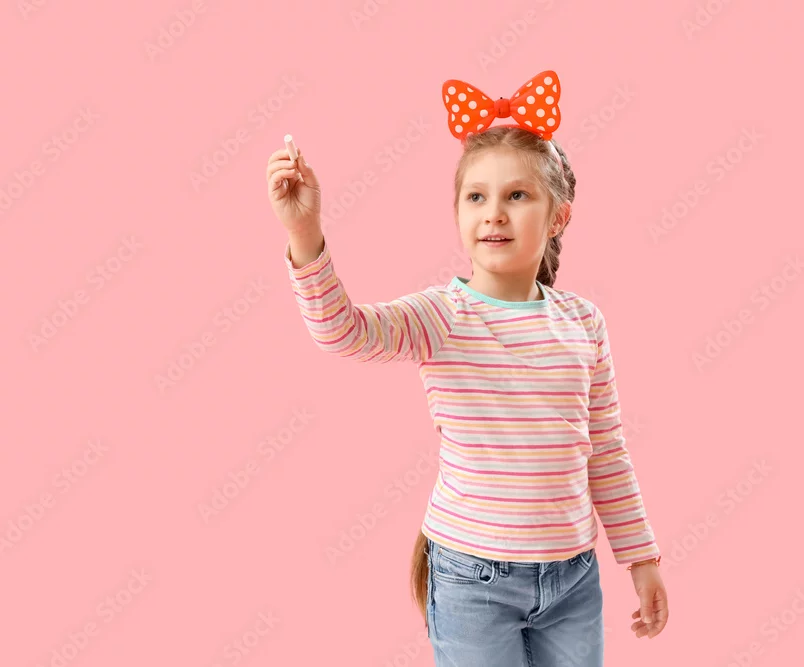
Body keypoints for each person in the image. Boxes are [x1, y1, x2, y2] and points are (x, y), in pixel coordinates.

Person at [265, 71, 669, 666]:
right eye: (476, 197)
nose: (494, 214)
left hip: (573, 577)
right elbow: (343, 332)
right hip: (471, 579)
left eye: (517, 196)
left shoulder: (584, 322)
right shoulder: (442, 315)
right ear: (456, 213)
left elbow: (606, 451)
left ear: (558, 217)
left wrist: (642, 559)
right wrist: (305, 234)